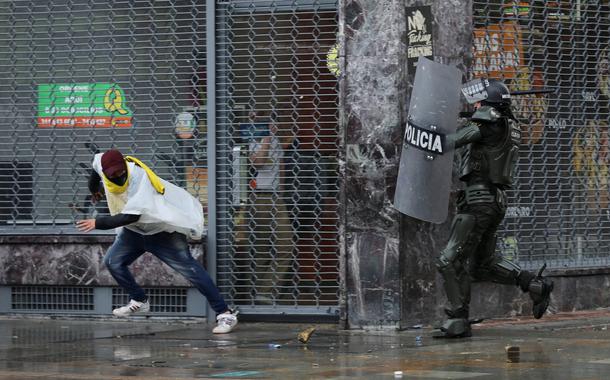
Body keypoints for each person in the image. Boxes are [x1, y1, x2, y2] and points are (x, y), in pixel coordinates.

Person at [436, 79, 554, 338]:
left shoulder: (488, 122)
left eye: (479, 101)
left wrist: (422, 130)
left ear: (488, 103)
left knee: (448, 259)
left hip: (479, 200)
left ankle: (458, 319)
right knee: (482, 265)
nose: (475, 105)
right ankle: (534, 284)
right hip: (492, 200)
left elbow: (448, 142)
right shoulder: (504, 124)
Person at [76, 149, 237, 333]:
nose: (119, 176)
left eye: (121, 172)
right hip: (134, 233)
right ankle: (139, 300)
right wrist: (94, 189)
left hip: (162, 231)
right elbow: (95, 167)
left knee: (191, 270)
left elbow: (129, 217)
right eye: (113, 175)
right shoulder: (100, 163)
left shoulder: (139, 178)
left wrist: (97, 222)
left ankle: (226, 314)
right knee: (113, 262)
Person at [235, 114, 295, 304]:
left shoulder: (276, 140)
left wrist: (283, 195)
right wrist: (267, 137)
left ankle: (263, 291)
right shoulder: (253, 140)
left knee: (285, 246)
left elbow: (282, 169)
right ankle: (261, 294)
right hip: (259, 196)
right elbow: (258, 163)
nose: (273, 124)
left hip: (275, 197)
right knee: (261, 248)